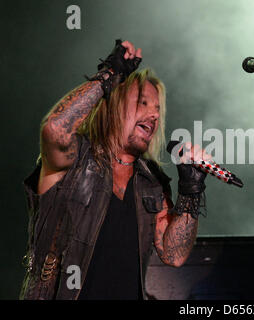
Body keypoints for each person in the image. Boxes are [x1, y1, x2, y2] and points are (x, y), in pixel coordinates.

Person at [20, 39, 210, 300]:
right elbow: (54, 129)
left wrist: (191, 190)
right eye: (142, 103)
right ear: (114, 103)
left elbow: (174, 254)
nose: (154, 116)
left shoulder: (152, 181)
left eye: (157, 110)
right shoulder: (75, 159)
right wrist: (108, 76)